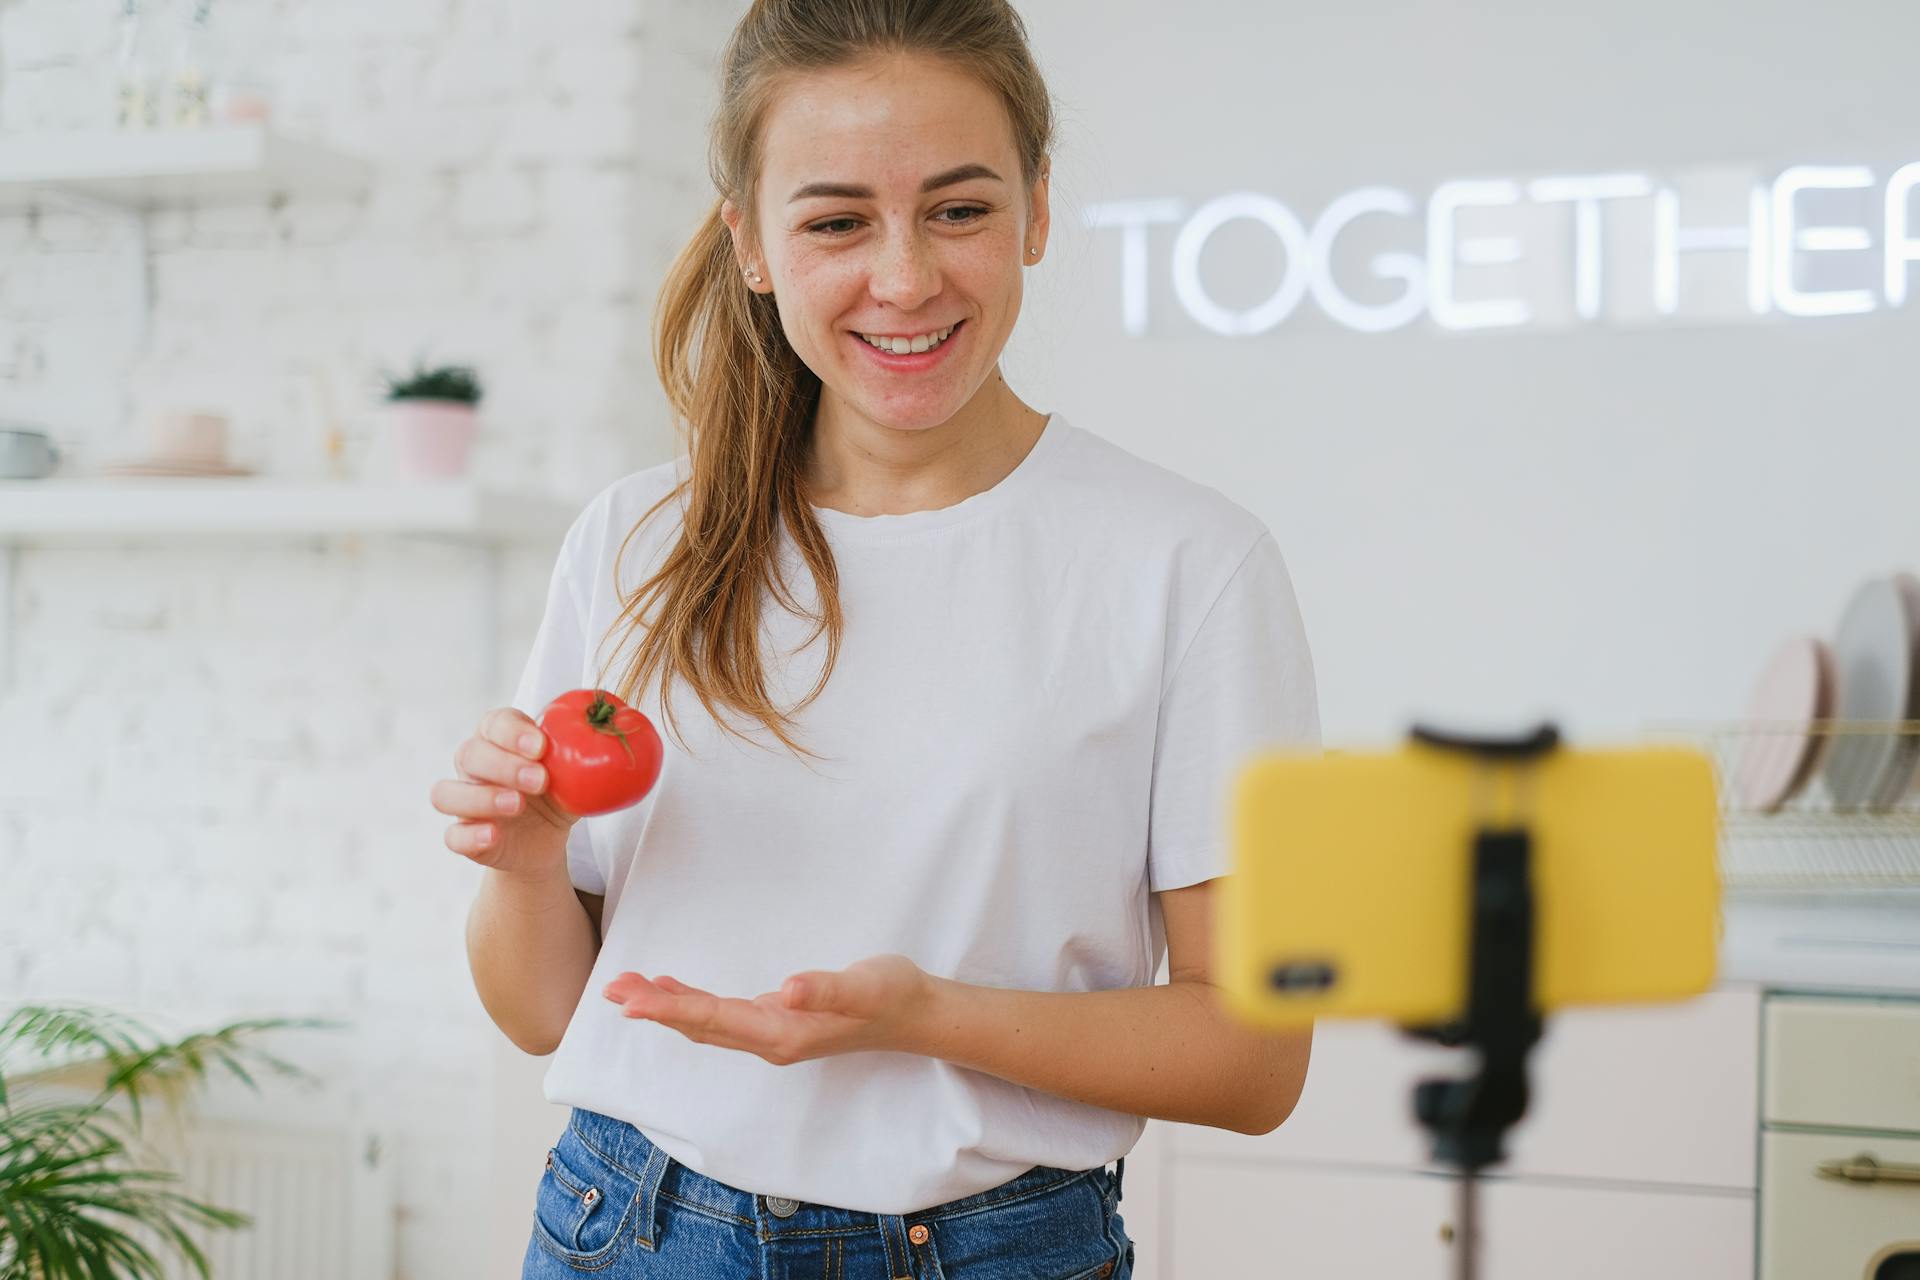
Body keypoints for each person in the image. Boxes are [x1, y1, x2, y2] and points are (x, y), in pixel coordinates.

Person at [437, 1, 1320, 1275]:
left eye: (959, 209)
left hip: (997, 1249)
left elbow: (1255, 1056)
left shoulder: (1188, 563)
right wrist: (522, 865)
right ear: (749, 240)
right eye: (837, 220)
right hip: (627, 1230)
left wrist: (927, 1017)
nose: (904, 278)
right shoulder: (636, 542)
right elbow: (543, 1015)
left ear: (1039, 209)